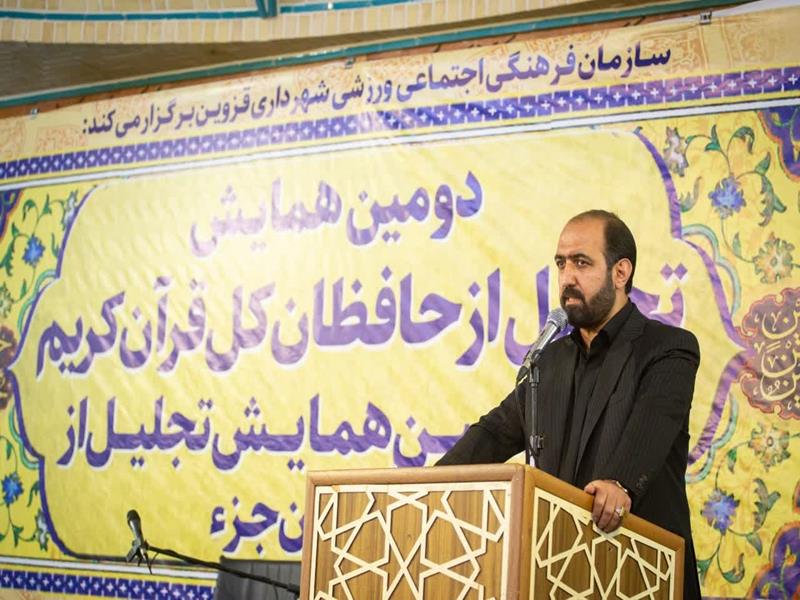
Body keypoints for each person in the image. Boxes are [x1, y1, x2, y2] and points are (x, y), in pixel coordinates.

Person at [437, 209, 701, 599]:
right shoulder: (547, 363)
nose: (567, 277)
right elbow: (494, 433)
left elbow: (654, 422)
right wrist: (427, 486)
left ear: (620, 272)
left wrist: (619, 483)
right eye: (561, 263)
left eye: (581, 262)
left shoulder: (666, 350)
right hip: (563, 573)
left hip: (641, 573)